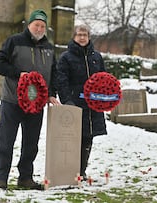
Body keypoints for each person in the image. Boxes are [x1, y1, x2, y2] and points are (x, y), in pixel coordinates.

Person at [0, 9, 60, 190]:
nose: (39, 28)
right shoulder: (14, 41)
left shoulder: (49, 47)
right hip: (13, 101)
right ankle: (1, 178)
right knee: (6, 141)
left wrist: (52, 93)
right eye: (36, 25)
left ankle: (25, 178)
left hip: (37, 104)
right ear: (29, 25)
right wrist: (18, 74)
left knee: (31, 144)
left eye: (42, 26)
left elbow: (53, 73)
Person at [56, 24, 107, 180]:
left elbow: (103, 79)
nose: (82, 37)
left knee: (88, 137)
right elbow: (61, 80)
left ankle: (82, 171)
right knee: (73, 138)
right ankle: (70, 170)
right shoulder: (66, 57)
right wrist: (67, 100)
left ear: (89, 37)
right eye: (79, 35)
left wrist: (105, 98)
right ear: (74, 37)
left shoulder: (96, 57)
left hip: (93, 104)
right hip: (75, 103)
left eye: (85, 34)